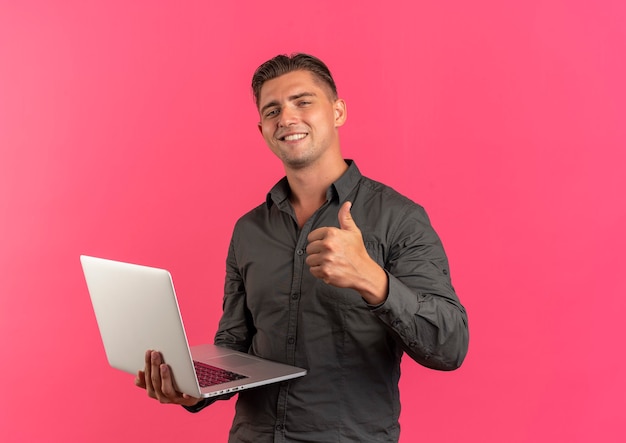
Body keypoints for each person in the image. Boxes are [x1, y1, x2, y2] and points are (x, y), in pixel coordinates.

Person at [136, 53, 469, 442]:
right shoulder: (249, 230)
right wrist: (193, 388)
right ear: (262, 129)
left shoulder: (399, 218)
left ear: (338, 111)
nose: (287, 118)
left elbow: (450, 347)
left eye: (303, 101)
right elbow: (234, 344)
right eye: (273, 110)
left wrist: (372, 280)